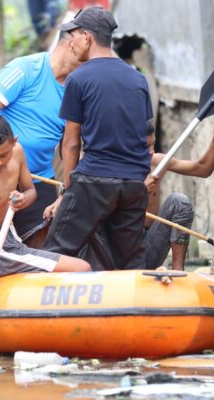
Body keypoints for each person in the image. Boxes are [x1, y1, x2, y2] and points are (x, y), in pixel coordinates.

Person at [43, 6, 153, 270]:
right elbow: (143, 135)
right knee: (130, 262)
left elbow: (70, 143)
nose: (70, 43)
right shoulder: (138, 79)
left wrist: (68, 190)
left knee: (54, 253)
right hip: (133, 184)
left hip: (94, 182)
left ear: (87, 37)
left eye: (74, 36)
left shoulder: (78, 78)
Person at [0, 30, 81, 247]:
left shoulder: (77, 87)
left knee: (44, 247)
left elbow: (70, 144)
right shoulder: (26, 69)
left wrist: (67, 190)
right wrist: (6, 161)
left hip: (40, 179)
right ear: (72, 44)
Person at [0, 114, 90, 289]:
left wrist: (23, 199)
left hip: (10, 236)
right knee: (82, 268)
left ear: (14, 141)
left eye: (3, 155)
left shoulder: (18, 152)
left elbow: (30, 192)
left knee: (78, 267)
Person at [143, 117, 214, 270]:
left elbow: (203, 168)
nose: (151, 151)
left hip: (148, 246)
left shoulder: (156, 161)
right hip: (122, 251)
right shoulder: (110, 167)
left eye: (153, 144)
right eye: (145, 147)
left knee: (179, 202)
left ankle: (178, 272)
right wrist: (139, 190)